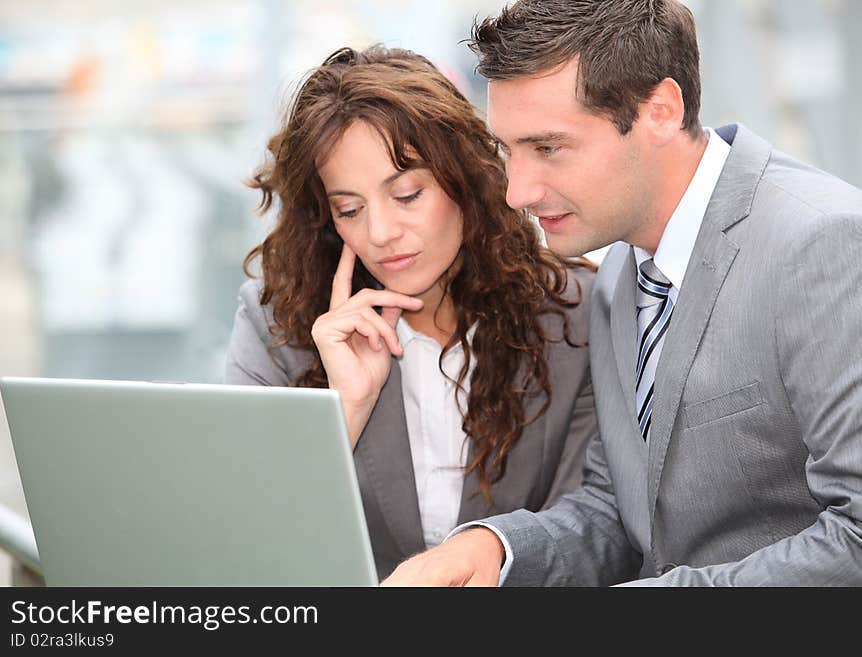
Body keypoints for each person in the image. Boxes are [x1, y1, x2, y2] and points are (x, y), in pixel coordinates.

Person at [383, 0, 862, 586]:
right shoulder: (622, 267)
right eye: (507, 150)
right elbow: (625, 510)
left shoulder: (825, 244)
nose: (516, 190)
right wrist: (494, 550)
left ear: (661, 111)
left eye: (546, 148)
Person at [224, 45, 599, 580]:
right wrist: (342, 411)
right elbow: (243, 542)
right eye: (349, 209)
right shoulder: (279, 325)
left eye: (406, 195)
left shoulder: (577, 314)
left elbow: (596, 528)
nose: (379, 234)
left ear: (466, 179)